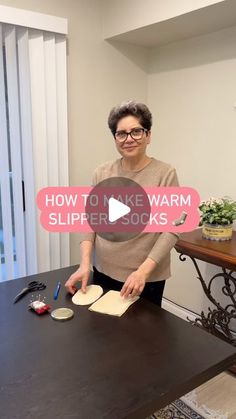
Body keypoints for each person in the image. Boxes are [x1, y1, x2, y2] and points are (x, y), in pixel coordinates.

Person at [65, 101, 179, 307]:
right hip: (103, 271)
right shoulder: (102, 172)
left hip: (144, 278)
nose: (129, 139)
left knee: (141, 337)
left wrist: (142, 273)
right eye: (121, 133)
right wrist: (85, 265)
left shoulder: (165, 173)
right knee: (104, 332)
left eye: (136, 131)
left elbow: (171, 230)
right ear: (115, 138)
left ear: (148, 135)